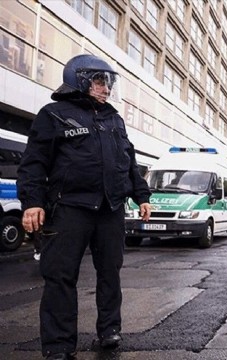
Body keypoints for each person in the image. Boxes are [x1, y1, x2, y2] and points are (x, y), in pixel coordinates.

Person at [17, 54, 151, 359]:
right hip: (68, 208)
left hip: (110, 209)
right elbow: (34, 163)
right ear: (80, 79)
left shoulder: (113, 118)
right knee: (60, 276)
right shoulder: (53, 115)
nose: (106, 88)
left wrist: (141, 196)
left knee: (110, 272)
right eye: (100, 81)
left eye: (109, 82)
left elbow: (128, 162)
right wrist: (32, 203)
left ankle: (110, 330)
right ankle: (59, 346)